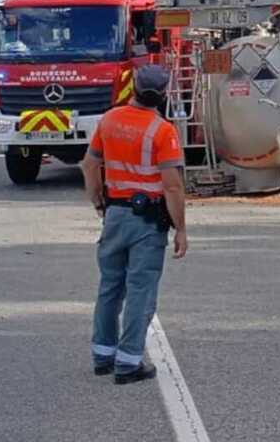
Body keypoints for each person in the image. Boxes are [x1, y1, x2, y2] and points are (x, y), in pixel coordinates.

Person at [80, 64, 189, 385]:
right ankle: (128, 362)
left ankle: (103, 355)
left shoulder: (109, 119)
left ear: (134, 89)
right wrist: (181, 228)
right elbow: (172, 186)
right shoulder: (163, 131)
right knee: (141, 289)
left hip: (114, 215)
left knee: (110, 286)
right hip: (147, 221)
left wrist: (99, 201)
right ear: (164, 94)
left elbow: (89, 165)